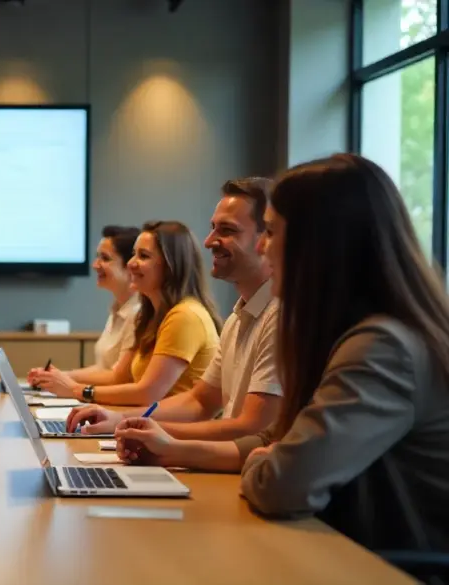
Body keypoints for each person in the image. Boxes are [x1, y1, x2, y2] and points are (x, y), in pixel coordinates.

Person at [110, 154, 449, 571]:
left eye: (270, 231)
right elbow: (276, 438)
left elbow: (284, 483)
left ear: (319, 242)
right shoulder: (346, 333)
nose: (264, 247)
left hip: (381, 567)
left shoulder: (383, 346)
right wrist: (173, 451)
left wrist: (266, 460)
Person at [67, 178, 281, 440]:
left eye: (227, 230)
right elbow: (199, 401)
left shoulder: (280, 317)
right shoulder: (238, 318)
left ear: (267, 238)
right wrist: (123, 419)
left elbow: (252, 429)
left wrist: (142, 430)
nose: (209, 241)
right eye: (213, 228)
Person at [32, 221, 221, 405]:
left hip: (173, 432)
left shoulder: (185, 316)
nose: (131, 263)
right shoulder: (152, 316)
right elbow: (123, 377)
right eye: (133, 255)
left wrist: (75, 389)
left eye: (143, 256)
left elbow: (147, 393)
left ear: (171, 266)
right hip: (155, 426)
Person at [28, 226, 141, 387]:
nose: (95, 265)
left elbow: (119, 378)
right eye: (97, 257)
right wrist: (59, 376)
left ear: (130, 266)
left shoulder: (138, 314)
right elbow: (104, 368)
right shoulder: (117, 310)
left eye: (105, 258)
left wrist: (66, 380)